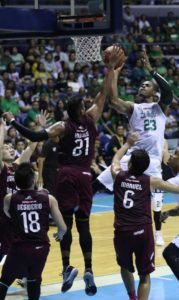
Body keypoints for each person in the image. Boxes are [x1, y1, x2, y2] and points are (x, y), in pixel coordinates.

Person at [3, 70, 111, 296]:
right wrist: (112, 69)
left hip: (67, 174)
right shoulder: (91, 118)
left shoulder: (63, 126)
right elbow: (103, 93)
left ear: (68, 112)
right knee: (84, 225)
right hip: (84, 175)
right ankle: (89, 268)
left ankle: (65, 266)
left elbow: (33, 138)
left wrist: (13, 121)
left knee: (66, 223)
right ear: (82, 109)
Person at [96, 47, 173, 246]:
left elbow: (169, 91)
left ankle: (157, 232)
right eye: (140, 85)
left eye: (146, 85)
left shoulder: (161, 107)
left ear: (154, 93)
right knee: (99, 180)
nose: (142, 87)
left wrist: (151, 70)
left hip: (153, 159)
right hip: (132, 156)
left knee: (155, 202)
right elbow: (113, 101)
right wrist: (113, 70)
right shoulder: (133, 108)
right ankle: (77, 211)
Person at [111, 133, 179, 300]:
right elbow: (175, 188)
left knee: (125, 266)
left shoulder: (118, 175)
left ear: (131, 163)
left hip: (122, 232)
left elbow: (115, 160)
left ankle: (132, 297)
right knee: (145, 275)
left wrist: (128, 143)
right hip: (143, 232)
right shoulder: (150, 181)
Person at [0, 162, 67, 300]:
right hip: (40, 247)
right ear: (34, 180)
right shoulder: (48, 198)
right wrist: (59, 234)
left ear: (17, 182)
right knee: (34, 280)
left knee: (5, 280)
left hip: (19, 247)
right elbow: (63, 228)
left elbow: (8, 215)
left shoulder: (9, 199)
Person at [160, 156, 179, 280]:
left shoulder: (175, 181)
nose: (172, 156)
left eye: (176, 155)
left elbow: (155, 184)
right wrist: (169, 213)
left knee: (169, 253)